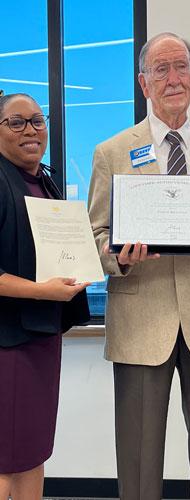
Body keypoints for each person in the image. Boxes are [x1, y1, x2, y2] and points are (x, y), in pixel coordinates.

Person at [87, 33, 190, 500]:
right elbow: (95, 238)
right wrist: (119, 258)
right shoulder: (111, 152)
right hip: (140, 317)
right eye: (161, 70)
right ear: (143, 83)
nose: (173, 79)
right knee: (137, 457)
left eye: (181, 67)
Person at [0, 92, 90, 500]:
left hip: (41, 337)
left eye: (37, 120)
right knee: (4, 458)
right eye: (16, 122)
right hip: (7, 342)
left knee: (34, 450)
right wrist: (41, 292)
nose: (31, 130)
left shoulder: (45, 180)